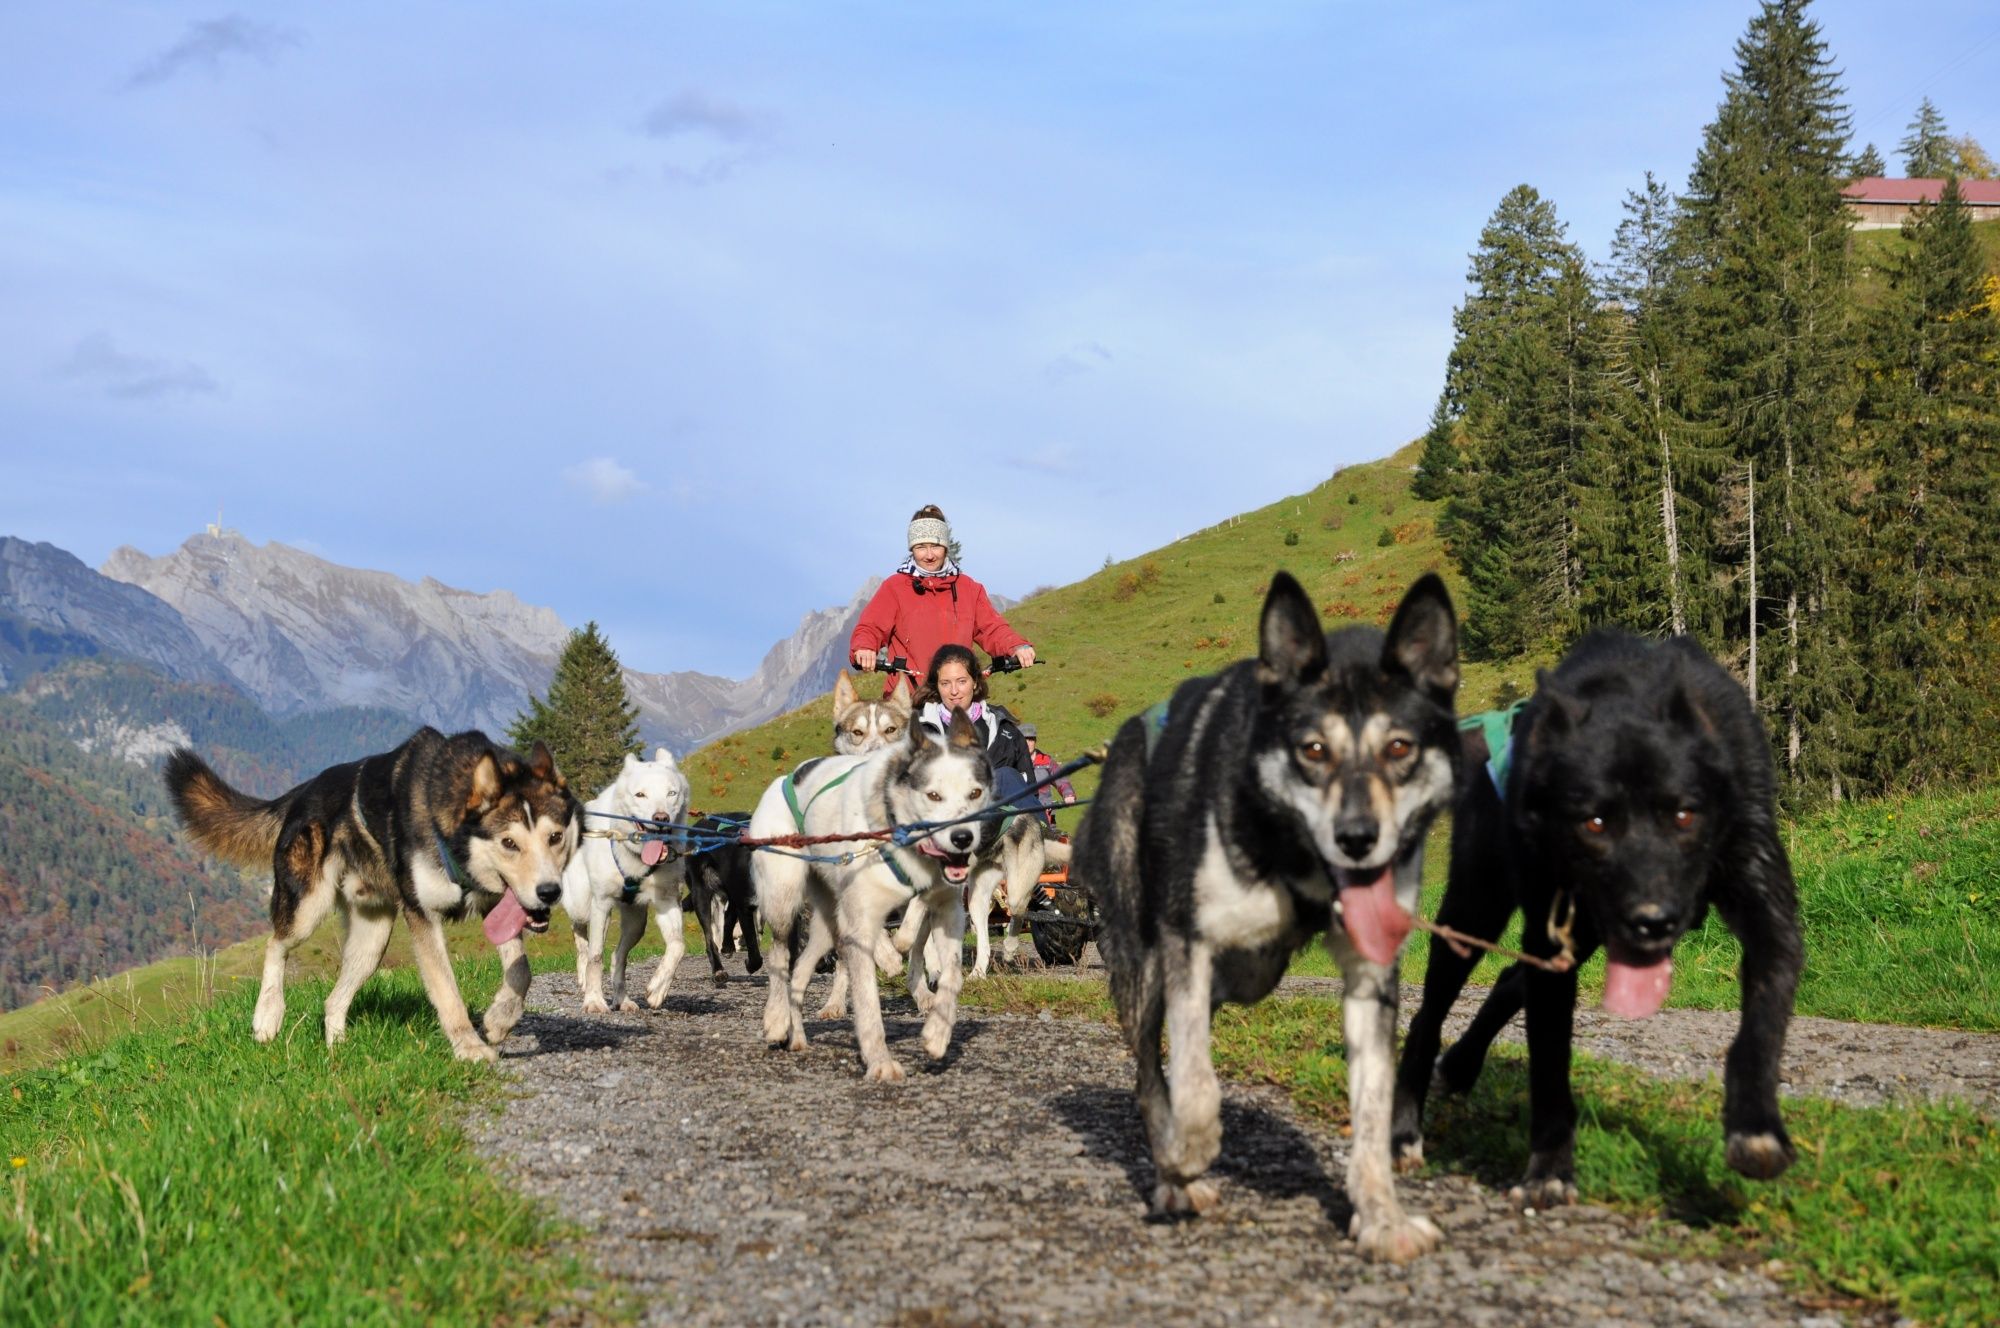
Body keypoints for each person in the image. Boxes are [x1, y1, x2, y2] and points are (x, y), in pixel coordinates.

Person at [850, 504, 1034, 694]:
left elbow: (992, 629)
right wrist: (864, 648)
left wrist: (1016, 646)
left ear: (945, 547)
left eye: (936, 546)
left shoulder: (969, 589)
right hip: (909, 699)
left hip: (957, 696)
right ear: (912, 549)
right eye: (921, 547)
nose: (929, 555)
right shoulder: (895, 587)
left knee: (998, 723)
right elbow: (870, 627)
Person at [913, 644, 1035, 809]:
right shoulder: (919, 730)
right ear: (937, 686)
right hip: (942, 819)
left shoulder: (1005, 731)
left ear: (975, 683)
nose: (954, 691)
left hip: (997, 822)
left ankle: (1043, 833)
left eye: (962, 681)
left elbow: (1029, 790)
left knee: (1007, 776)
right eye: (945, 683)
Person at [1020, 723, 1077, 829]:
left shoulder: (1046, 761)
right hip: (1021, 816)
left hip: (1045, 814)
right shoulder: (1013, 762)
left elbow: (1061, 779)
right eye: (1024, 740)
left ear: (1035, 741)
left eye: (1031, 739)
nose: (1027, 743)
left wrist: (1068, 794)